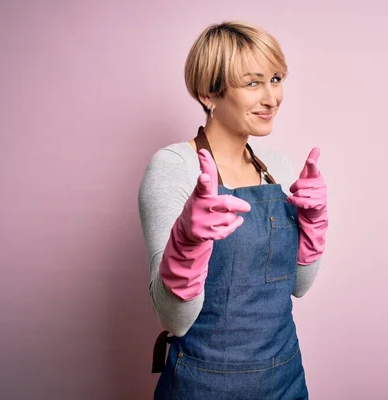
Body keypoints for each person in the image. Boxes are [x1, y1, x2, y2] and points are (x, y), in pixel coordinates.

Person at [138, 20, 328, 400]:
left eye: (276, 79)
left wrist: (315, 224)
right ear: (210, 92)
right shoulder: (175, 167)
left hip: (286, 377)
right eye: (253, 83)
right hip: (204, 384)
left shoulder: (277, 167)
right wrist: (188, 241)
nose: (272, 98)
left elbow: (298, 287)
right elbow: (173, 318)